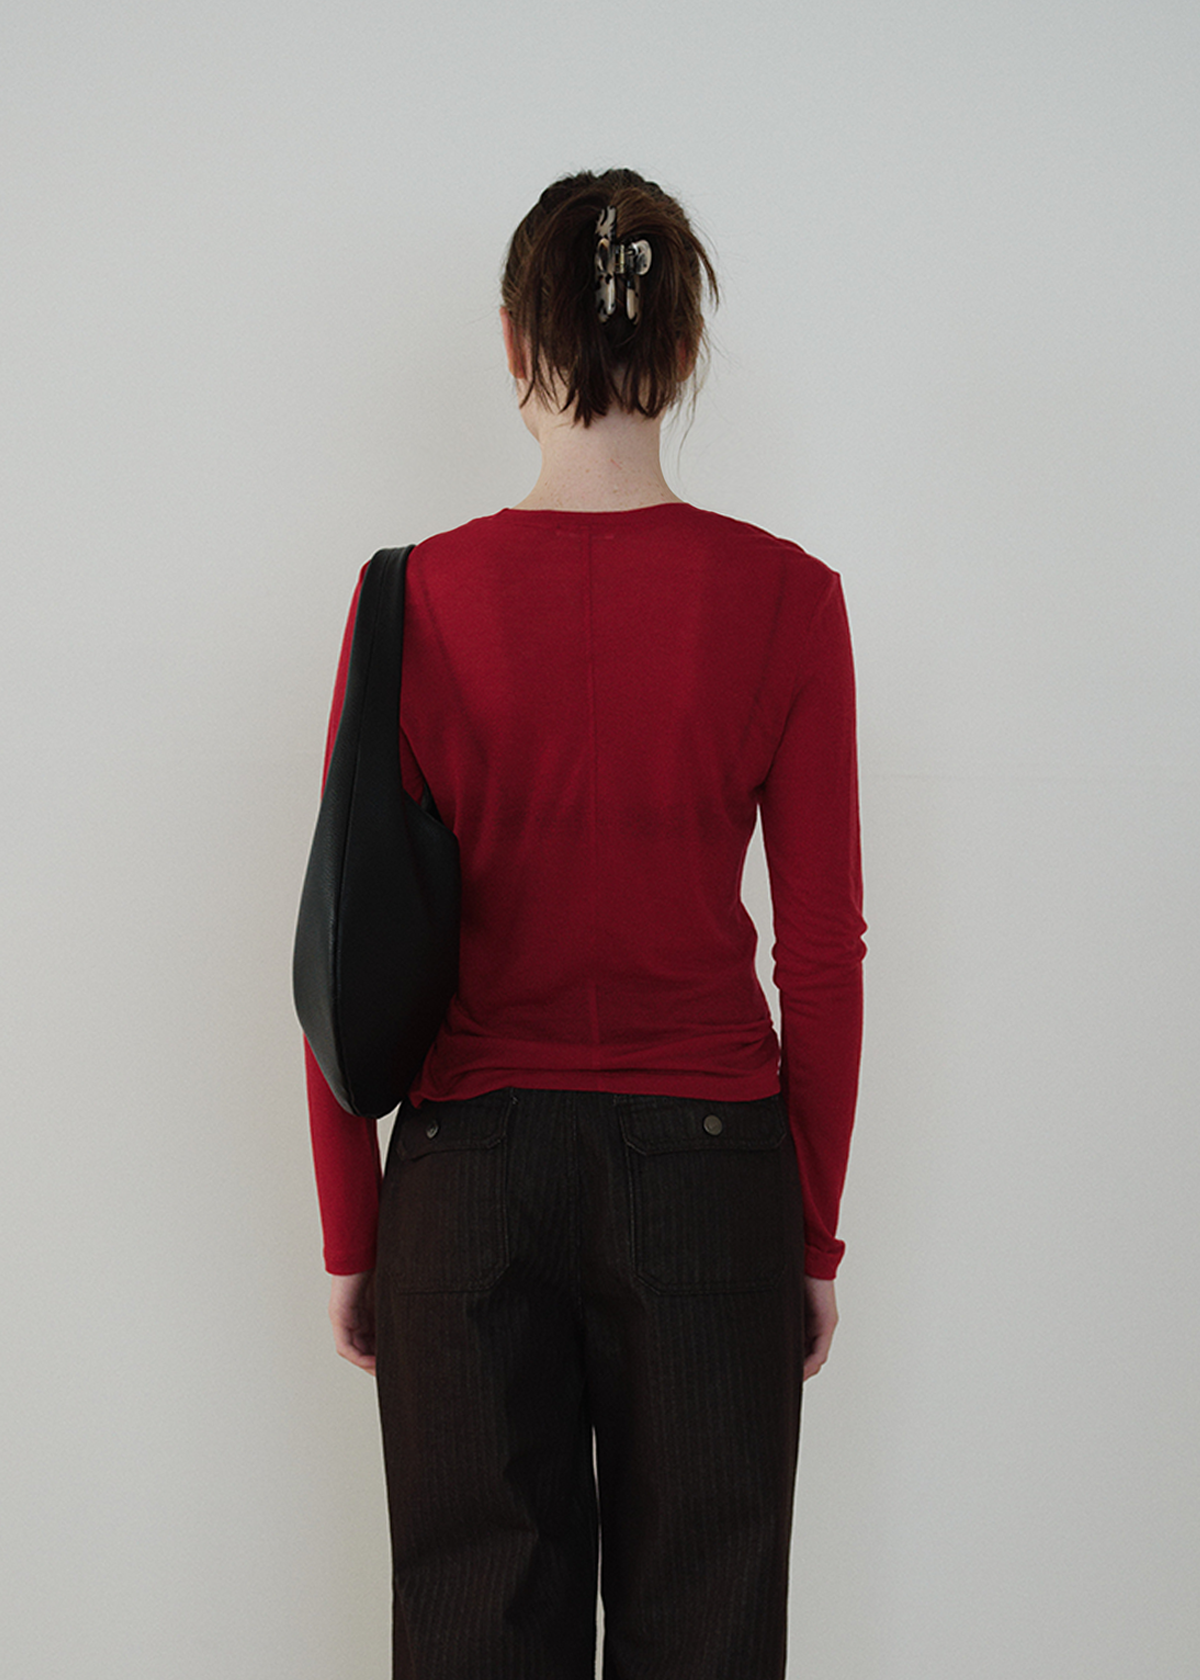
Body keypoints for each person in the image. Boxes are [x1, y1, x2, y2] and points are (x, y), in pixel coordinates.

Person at [303, 168, 866, 1680]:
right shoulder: (789, 599)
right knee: (710, 1630)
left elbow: (344, 940)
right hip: (714, 1178)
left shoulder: (411, 598)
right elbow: (820, 954)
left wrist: (354, 1226)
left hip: (467, 1181)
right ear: (682, 348)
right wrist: (811, 1229)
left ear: (512, 340)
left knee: (476, 1637)